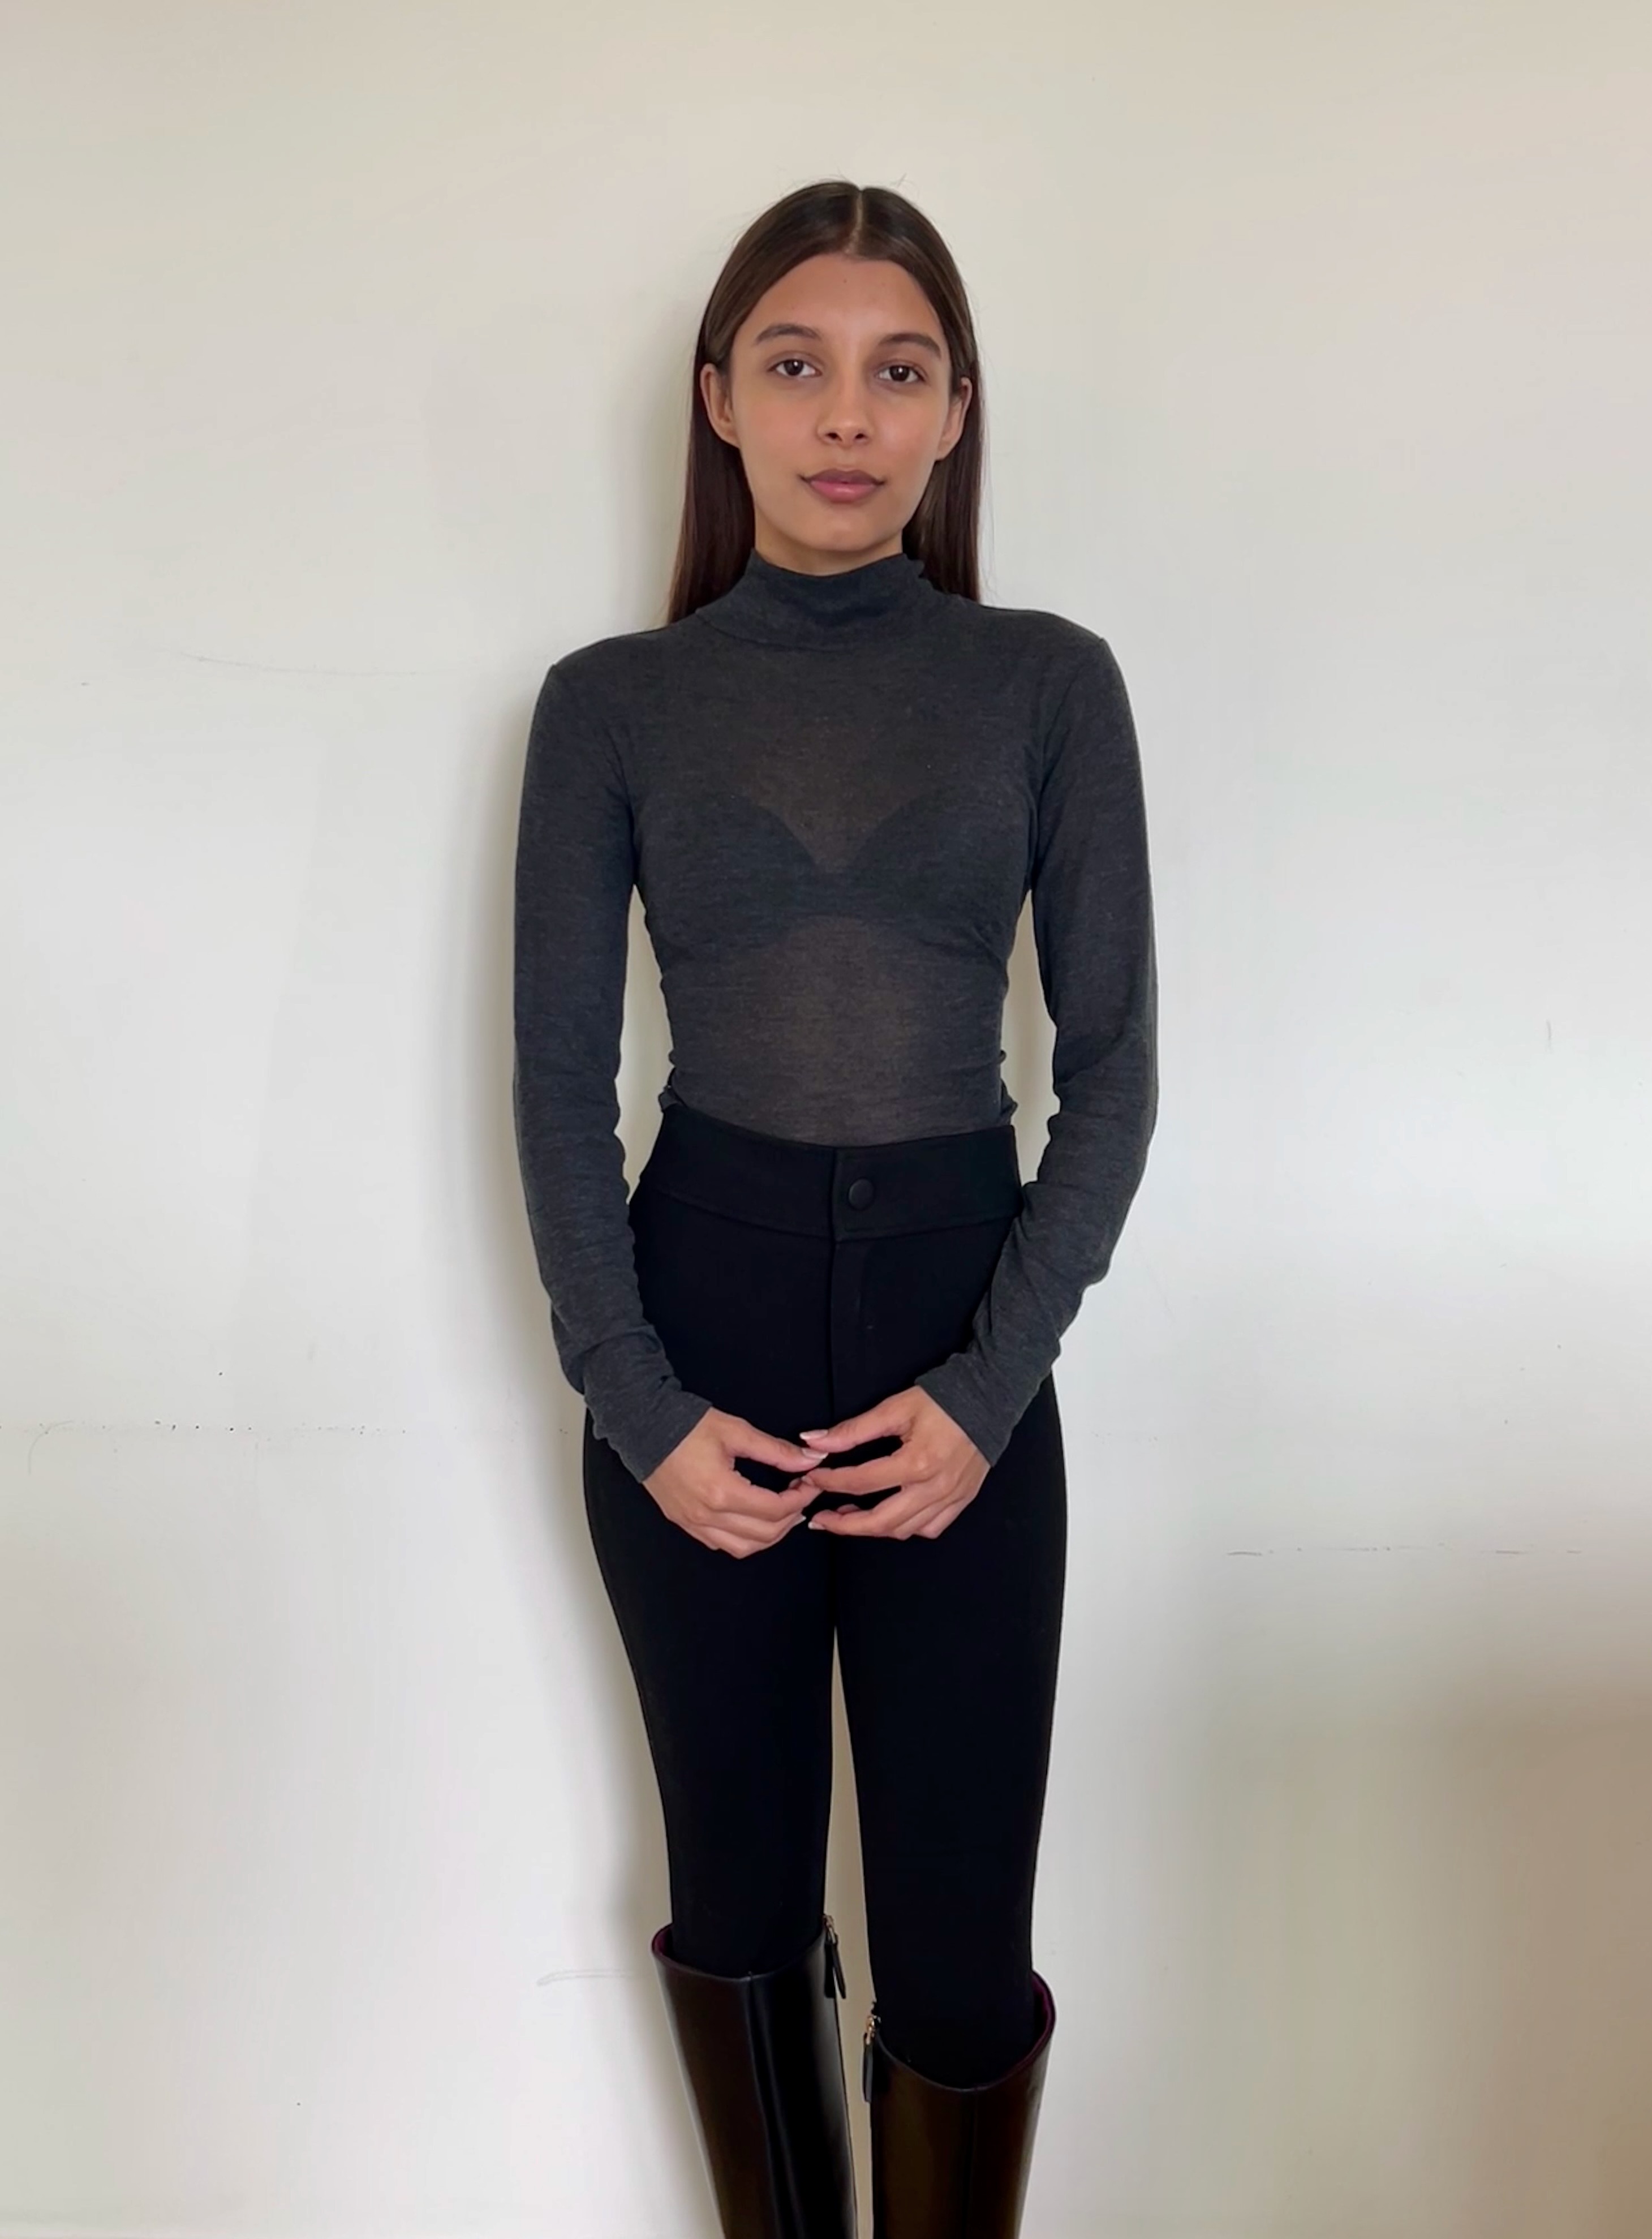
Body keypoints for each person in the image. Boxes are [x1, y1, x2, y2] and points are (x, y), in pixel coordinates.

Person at [512, 178, 1158, 2239]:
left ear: (958, 411)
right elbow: (554, 1088)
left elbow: (1116, 1072)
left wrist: (988, 1392)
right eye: (797, 365)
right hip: (693, 1349)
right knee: (740, 1910)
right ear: (722, 397)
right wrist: (638, 1406)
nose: (847, 414)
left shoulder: (1048, 685)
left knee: (957, 1963)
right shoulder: (610, 703)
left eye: (900, 370)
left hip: (963, 1346)